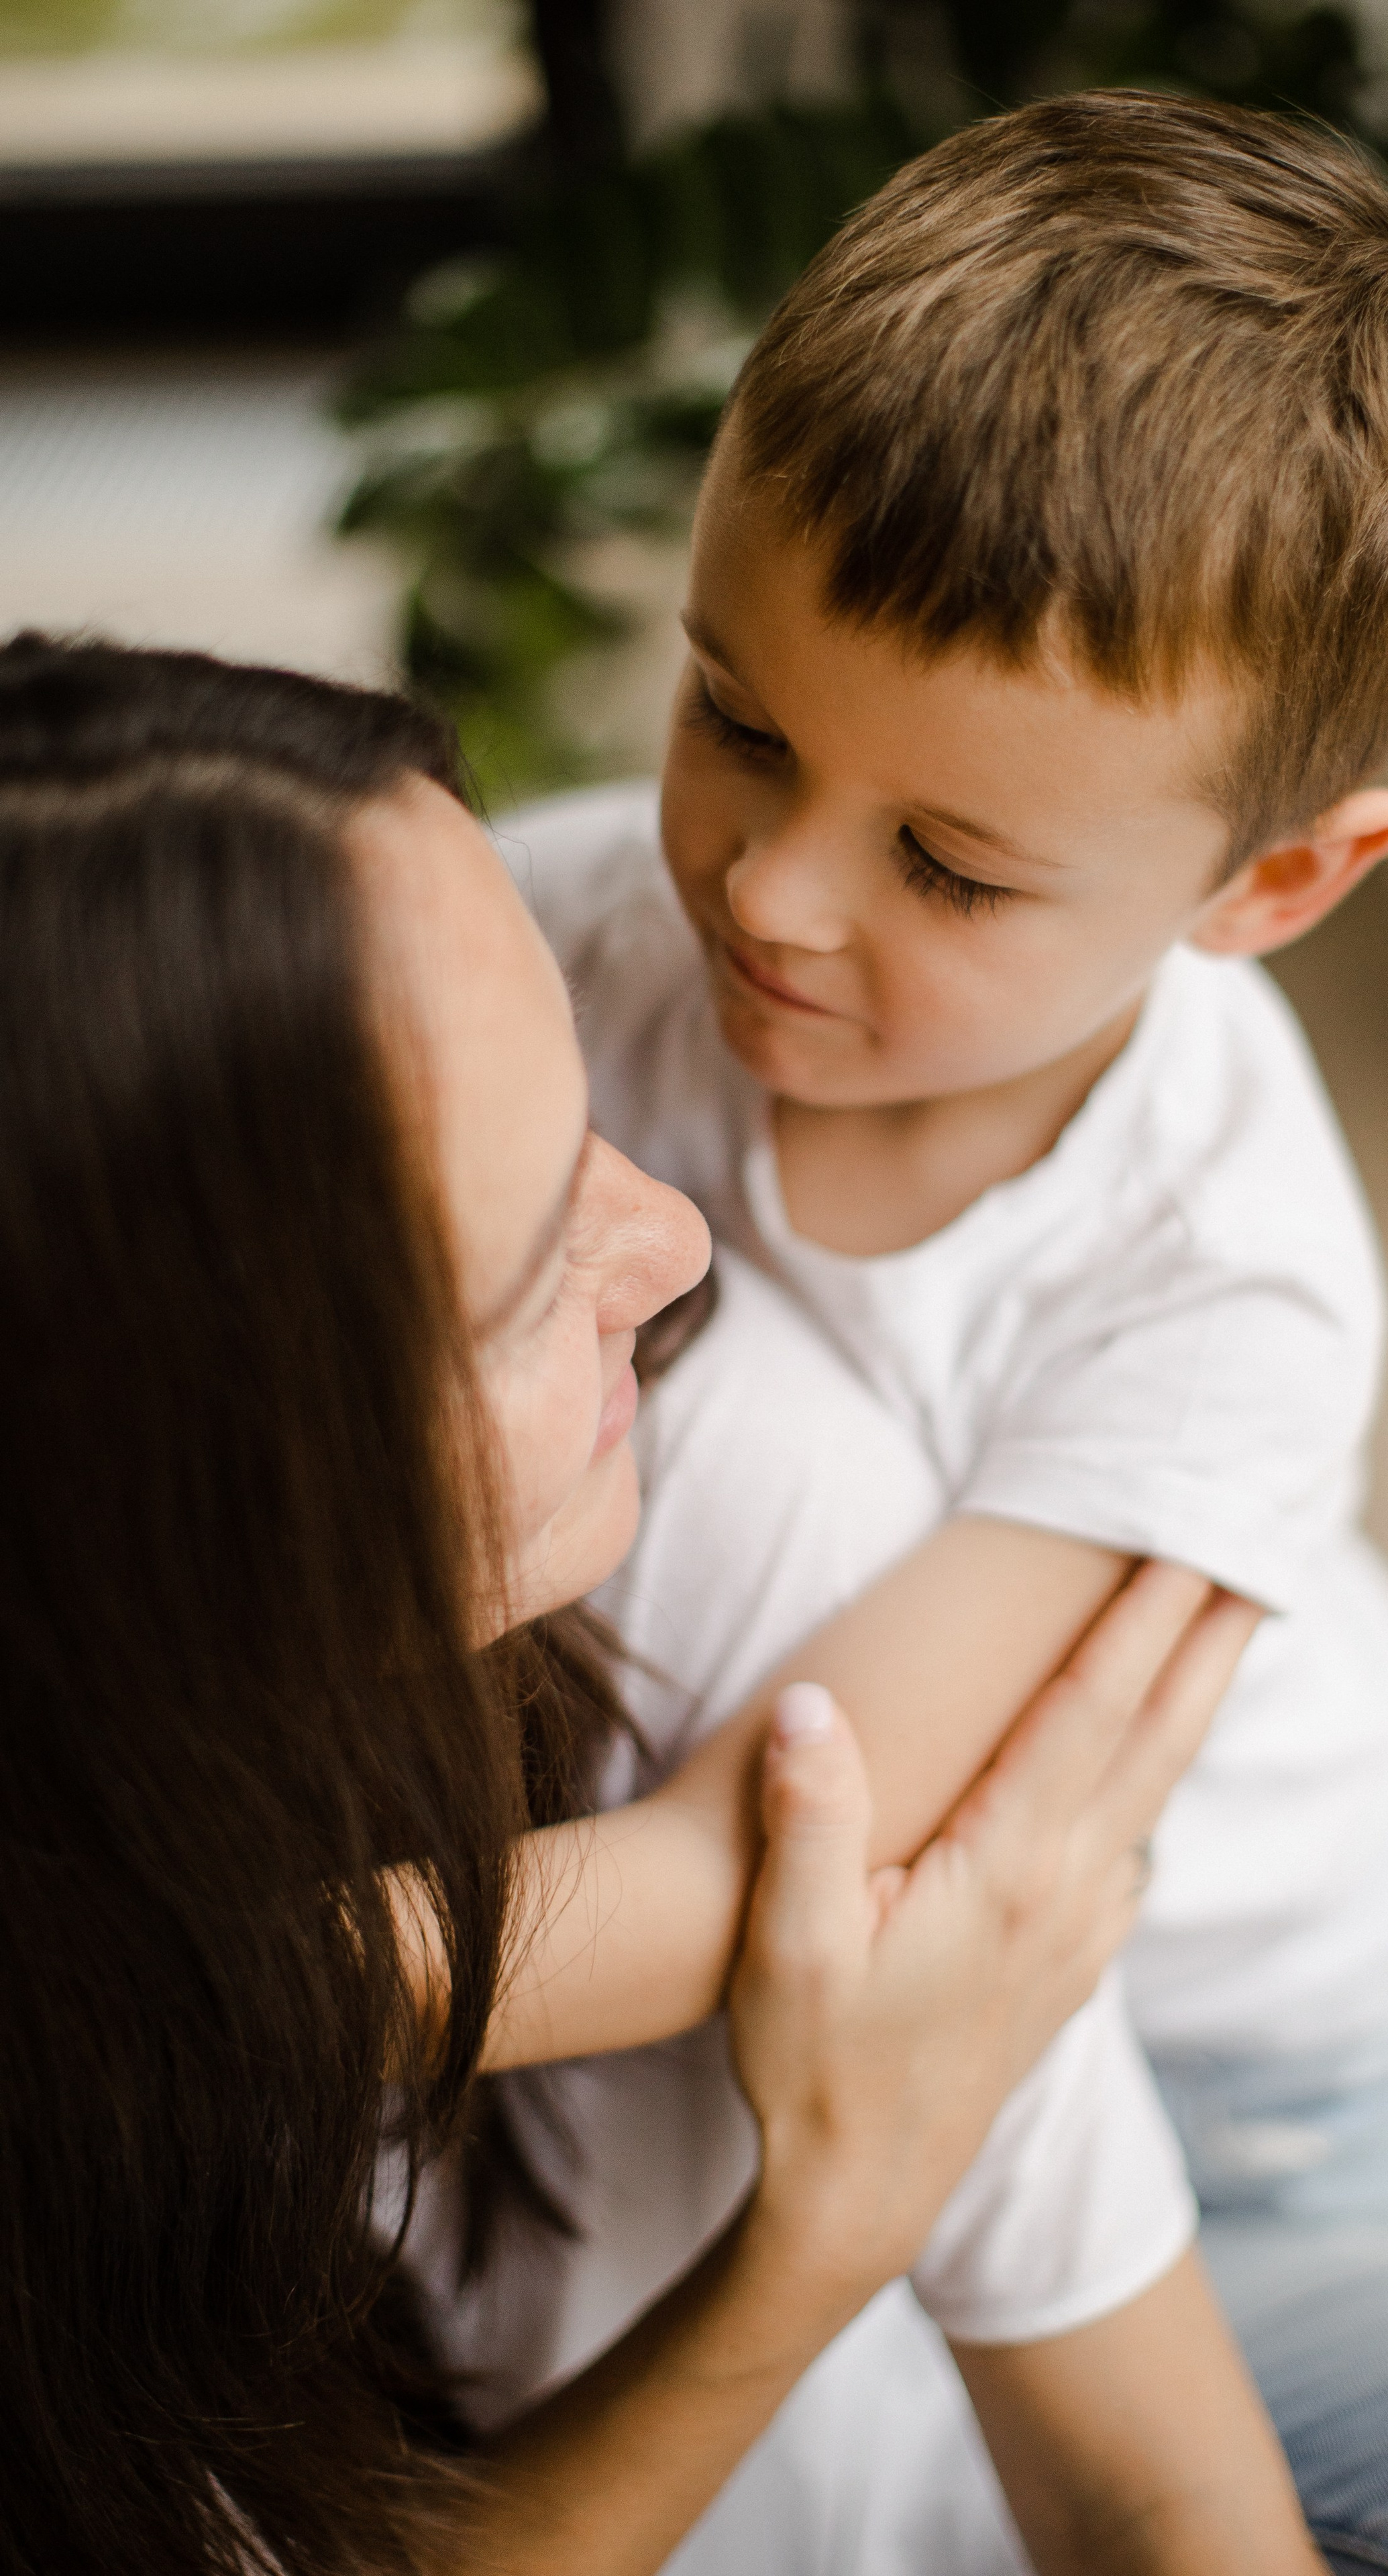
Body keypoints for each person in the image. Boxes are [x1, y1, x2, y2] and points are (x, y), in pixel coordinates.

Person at [413, 90, 1388, 2573]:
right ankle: (1387, 1670)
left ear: (1278, 885)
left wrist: (229, 1983)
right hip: (882, 1799)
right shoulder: (555, 934)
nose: (766, 895)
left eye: (949, 864)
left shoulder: (1229, 1269)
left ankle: (1386, 1741)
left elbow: (763, 1863)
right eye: (735, 719)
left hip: (1242, 2065)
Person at [0, 629, 1301, 2576]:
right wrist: (820, 2234)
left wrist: (849, 2215)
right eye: (533, 1266)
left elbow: (1157, 2483)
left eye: (590, 1105)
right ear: (176, 1495)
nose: (681, 1242)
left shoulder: (739, 1483)